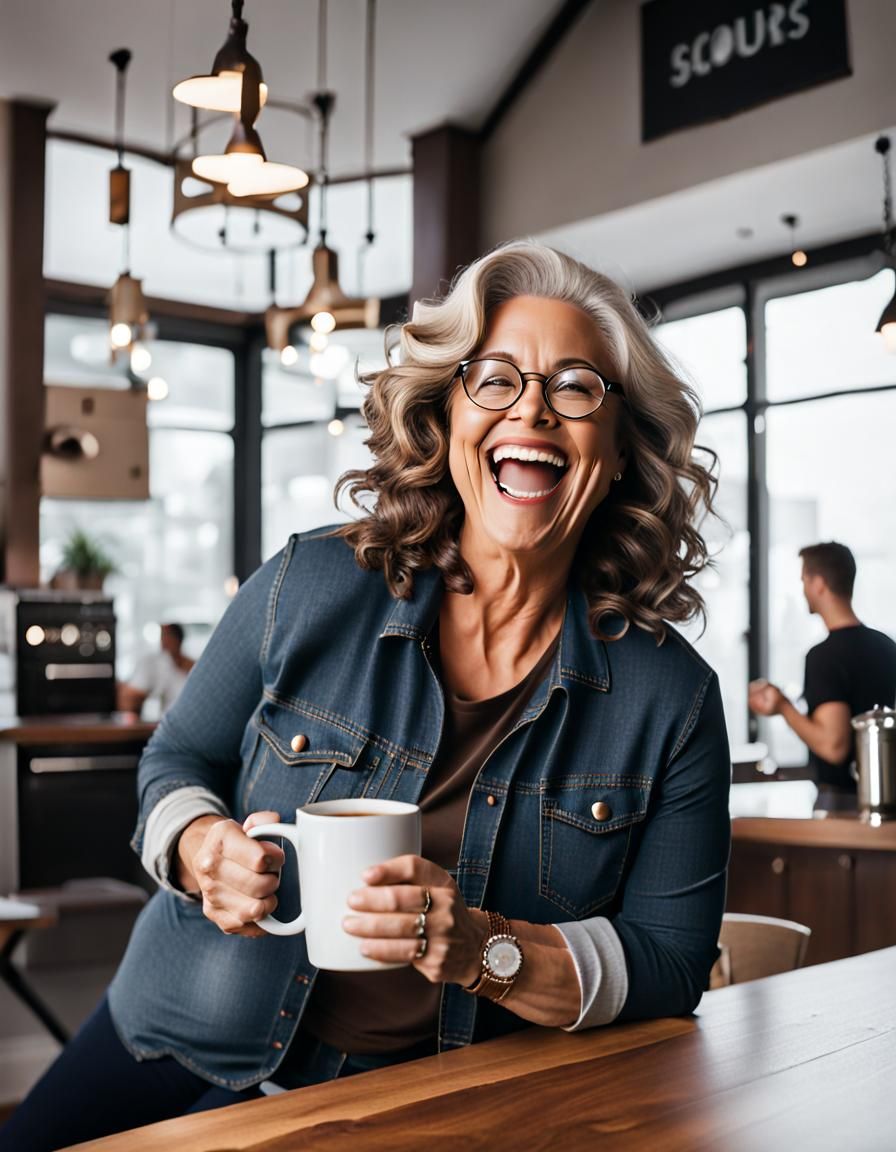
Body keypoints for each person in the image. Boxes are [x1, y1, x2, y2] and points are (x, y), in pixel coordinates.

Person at [0, 242, 731, 1151]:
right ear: (448, 414)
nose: (533, 407)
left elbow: (668, 963)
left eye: (577, 386)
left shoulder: (674, 701)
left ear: (621, 449)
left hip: (411, 1097)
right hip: (178, 1016)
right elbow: (175, 760)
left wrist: (483, 949)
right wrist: (198, 847)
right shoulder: (308, 582)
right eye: (496, 379)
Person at [748, 542, 896, 812]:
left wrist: (783, 707)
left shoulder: (824, 657)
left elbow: (834, 745)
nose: (803, 589)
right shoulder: (887, 647)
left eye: (804, 580)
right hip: (888, 805)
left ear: (819, 584)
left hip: (843, 807)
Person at [116, 623, 195, 717]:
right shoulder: (156, 663)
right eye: (162, 636)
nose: (162, 641)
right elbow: (129, 701)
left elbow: (128, 702)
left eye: (165, 635)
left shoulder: (160, 663)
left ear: (178, 639)